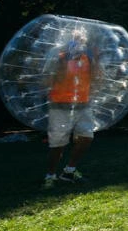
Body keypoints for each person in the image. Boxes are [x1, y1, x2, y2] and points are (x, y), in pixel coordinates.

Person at [43, 30, 101, 189]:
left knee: (86, 137)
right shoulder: (58, 57)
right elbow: (47, 82)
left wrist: (96, 59)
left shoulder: (88, 59)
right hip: (59, 105)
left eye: (81, 41)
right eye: (74, 40)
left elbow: (97, 79)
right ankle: (50, 176)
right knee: (58, 144)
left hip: (83, 105)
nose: (78, 44)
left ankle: (69, 170)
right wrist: (62, 64)